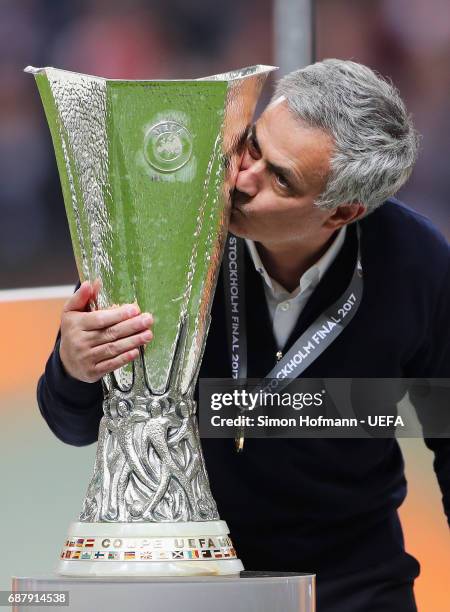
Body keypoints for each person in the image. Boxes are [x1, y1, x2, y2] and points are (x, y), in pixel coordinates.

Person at [37, 60, 449, 612]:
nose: (241, 178)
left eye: (280, 178)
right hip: (191, 580)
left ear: (343, 211)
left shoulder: (419, 265)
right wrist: (73, 366)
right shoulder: (165, 225)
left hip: (354, 587)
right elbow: (73, 426)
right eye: (251, 145)